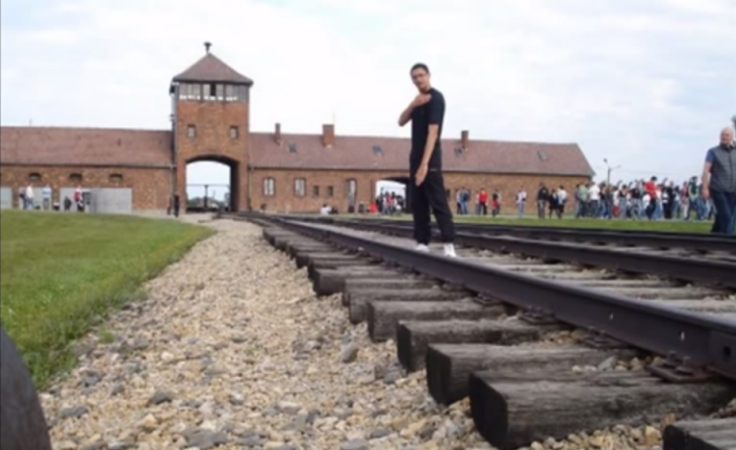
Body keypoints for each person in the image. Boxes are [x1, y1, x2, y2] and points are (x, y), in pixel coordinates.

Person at [397, 63, 456, 257]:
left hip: (430, 158)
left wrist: (424, 165)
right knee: (418, 201)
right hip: (415, 157)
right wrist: (413, 104)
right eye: (414, 77)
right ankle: (422, 241)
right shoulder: (418, 101)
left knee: (437, 199)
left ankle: (449, 243)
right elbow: (401, 121)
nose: (418, 79)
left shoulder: (435, 99)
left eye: (421, 75)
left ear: (429, 75)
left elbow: (433, 133)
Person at [702, 127, 736, 234]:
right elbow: (706, 170)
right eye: (722, 135)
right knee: (727, 217)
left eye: (727, 135)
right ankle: (730, 244)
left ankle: (713, 238)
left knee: (724, 217)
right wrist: (705, 188)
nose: (724, 137)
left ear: (732, 137)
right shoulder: (713, 152)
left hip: (733, 190)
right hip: (718, 189)